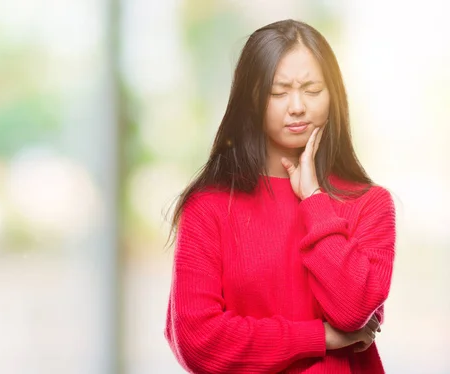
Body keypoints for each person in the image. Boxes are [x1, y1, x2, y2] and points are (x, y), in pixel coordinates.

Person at [164, 19, 396, 373]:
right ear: (251, 99)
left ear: (334, 95)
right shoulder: (209, 206)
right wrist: (321, 337)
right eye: (278, 91)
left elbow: (352, 311)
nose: (297, 106)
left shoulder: (370, 203)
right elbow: (198, 341)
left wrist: (314, 199)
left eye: (312, 89)